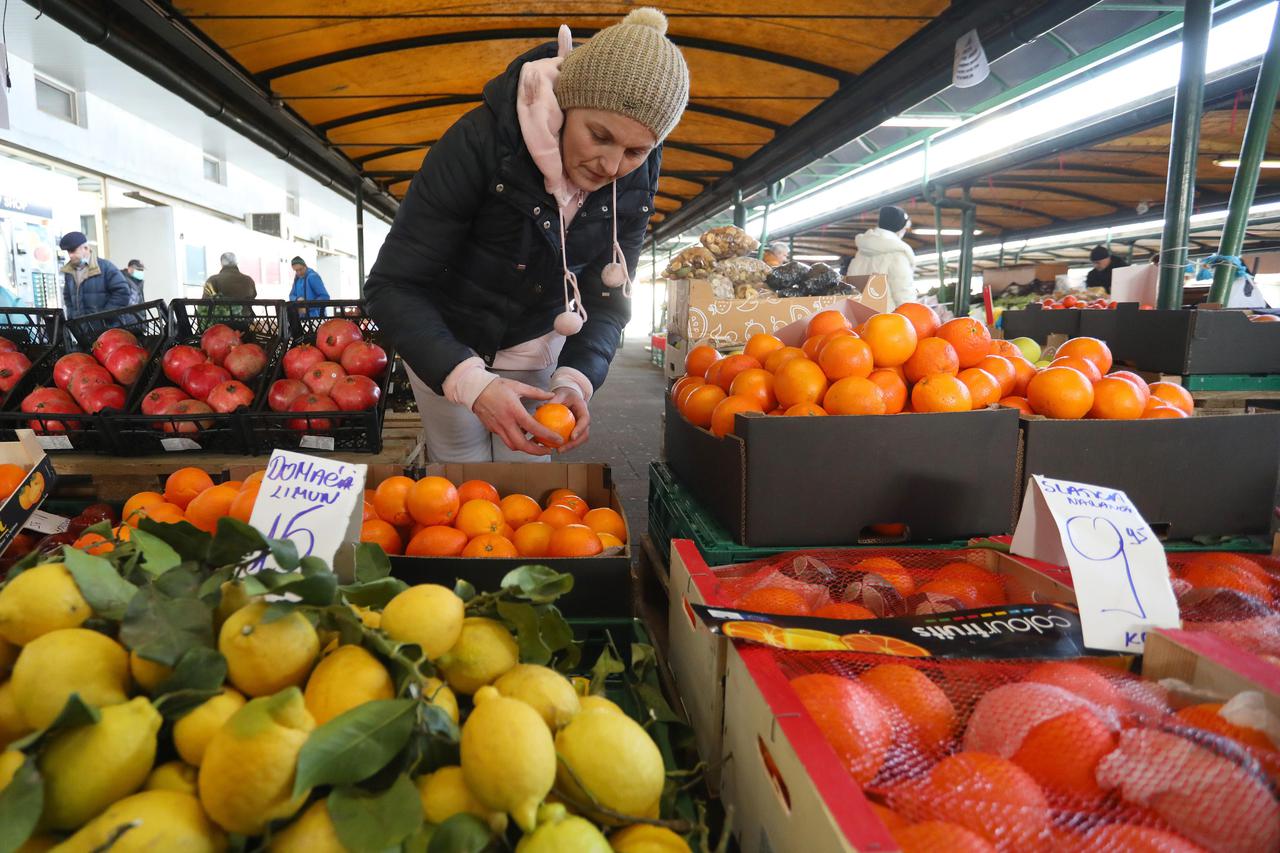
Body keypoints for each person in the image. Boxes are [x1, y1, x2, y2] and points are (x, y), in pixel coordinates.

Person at [365, 8, 688, 462]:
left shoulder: (636, 179)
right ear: (567, 104)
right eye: (599, 136)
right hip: (449, 340)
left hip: (539, 346)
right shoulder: (479, 142)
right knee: (460, 474)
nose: (611, 166)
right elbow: (392, 286)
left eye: (635, 150)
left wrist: (576, 378)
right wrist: (470, 382)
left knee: (527, 482)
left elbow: (608, 298)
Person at [847, 205, 917, 310]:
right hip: (888, 321)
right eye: (905, 228)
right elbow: (904, 294)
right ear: (900, 227)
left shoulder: (861, 252)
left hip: (862, 319)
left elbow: (852, 289)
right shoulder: (897, 253)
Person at [58, 232, 131, 319]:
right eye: (68, 251)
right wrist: (72, 317)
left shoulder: (105, 267)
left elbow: (122, 292)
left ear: (85, 248)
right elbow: (67, 297)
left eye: (73, 251)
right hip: (81, 329)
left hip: (105, 329)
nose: (70, 255)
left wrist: (105, 317)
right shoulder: (69, 272)